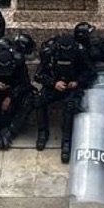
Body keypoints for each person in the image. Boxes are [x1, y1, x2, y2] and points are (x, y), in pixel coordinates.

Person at [35, 32, 95, 162]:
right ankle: (42, 132)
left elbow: (90, 71)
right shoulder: (50, 52)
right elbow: (38, 75)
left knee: (69, 106)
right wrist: (53, 83)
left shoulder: (79, 51)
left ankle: (66, 142)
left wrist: (78, 81)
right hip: (55, 85)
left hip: (72, 86)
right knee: (39, 100)